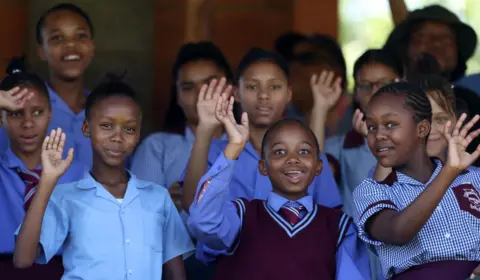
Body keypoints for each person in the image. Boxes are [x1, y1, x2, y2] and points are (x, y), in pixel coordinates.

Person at [13, 77, 194, 280]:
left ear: (138, 134)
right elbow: (23, 259)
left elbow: (176, 274)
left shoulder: (158, 197)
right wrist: (46, 181)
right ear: (86, 128)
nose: (118, 137)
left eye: (130, 129)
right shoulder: (65, 197)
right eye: (107, 126)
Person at [187, 91, 371, 279]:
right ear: (263, 167)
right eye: (280, 152)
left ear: (318, 166)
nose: (293, 159)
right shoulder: (241, 216)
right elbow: (203, 222)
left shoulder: (340, 227)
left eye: (304, 151)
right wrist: (234, 147)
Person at [353, 81, 480, 279]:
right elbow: (399, 232)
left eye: (390, 124)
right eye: (371, 128)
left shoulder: (474, 179)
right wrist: (449, 173)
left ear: (421, 129)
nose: (378, 135)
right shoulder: (371, 191)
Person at [0, 57, 86, 279]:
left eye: (37, 112)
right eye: (15, 113)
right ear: (1, 118)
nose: (28, 123)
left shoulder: (77, 174)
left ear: (50, 114)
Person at [0, 4, 96, 167]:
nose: (71, 45)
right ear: (41, 51)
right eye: (57, 38)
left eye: (81, 36)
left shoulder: (104, 108)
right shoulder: (19, 107)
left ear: (92, 46)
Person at [275, 32, 351, 137]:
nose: (294, 66)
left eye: (306, 59)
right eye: (290, 59)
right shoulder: (279, 117)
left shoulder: (361, 117)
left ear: (336, 71)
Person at [383, 4, 477, 84]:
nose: (436, 43)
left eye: (446, 39)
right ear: (404, 48)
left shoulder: (472, 100)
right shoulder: (380, 99)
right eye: (423, 37)